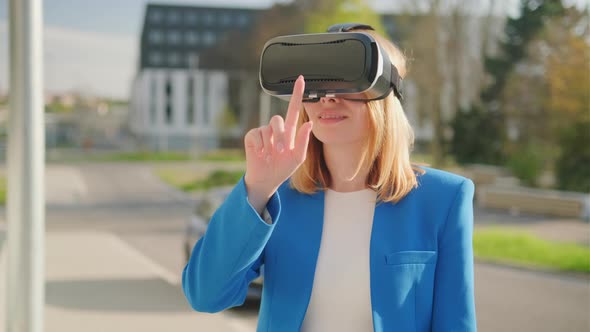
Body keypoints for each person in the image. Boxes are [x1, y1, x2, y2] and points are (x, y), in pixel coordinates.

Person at [182, 24, 477, 332]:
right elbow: (205, 295)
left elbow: (456, 324)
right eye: (316, 81)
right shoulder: (277, 197)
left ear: (387, 94)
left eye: (347, 78)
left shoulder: (444, 199)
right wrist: (257, 188)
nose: (328, 97)